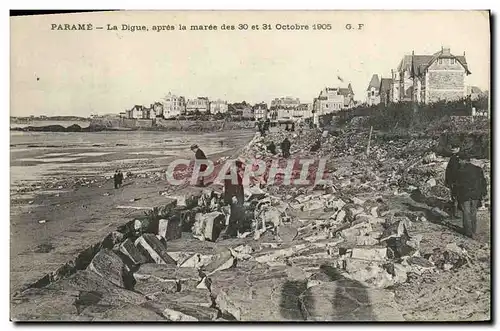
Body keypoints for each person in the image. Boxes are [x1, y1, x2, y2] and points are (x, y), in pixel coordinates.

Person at [454, 155, 488, 239]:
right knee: (473, 213)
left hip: (465, 194)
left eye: (460, 160)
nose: (459, 162)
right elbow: (483, 182)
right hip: (475, 195)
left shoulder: (460, 171)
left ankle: (468, 233)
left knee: (466, 213)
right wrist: (484, 193)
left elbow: (457, 185)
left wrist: (455, 194)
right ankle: (473, 231)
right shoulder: (478, 169)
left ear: (464, 160)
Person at [222, 160, 245, 238]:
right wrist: (233, 196)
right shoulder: (230, 175)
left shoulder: (235, 175)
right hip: (234, 198)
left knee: (237, 214)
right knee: (234, 215)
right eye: (239, 167)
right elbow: (229, 188)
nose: (240, 169)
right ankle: (228, 233)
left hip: (238, 198)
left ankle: (233, 232)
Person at [445, 145, 461, 217]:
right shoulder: (453, 157)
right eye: (452, 148)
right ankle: (455, 213)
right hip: (452, 181)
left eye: (454, 148)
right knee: (454, 196)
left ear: (458, 148)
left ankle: (456, 213)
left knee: (457, 196)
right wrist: (447, 181)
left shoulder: (460, 157)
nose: (452, 149)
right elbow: (448, 170)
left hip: (457, 181)